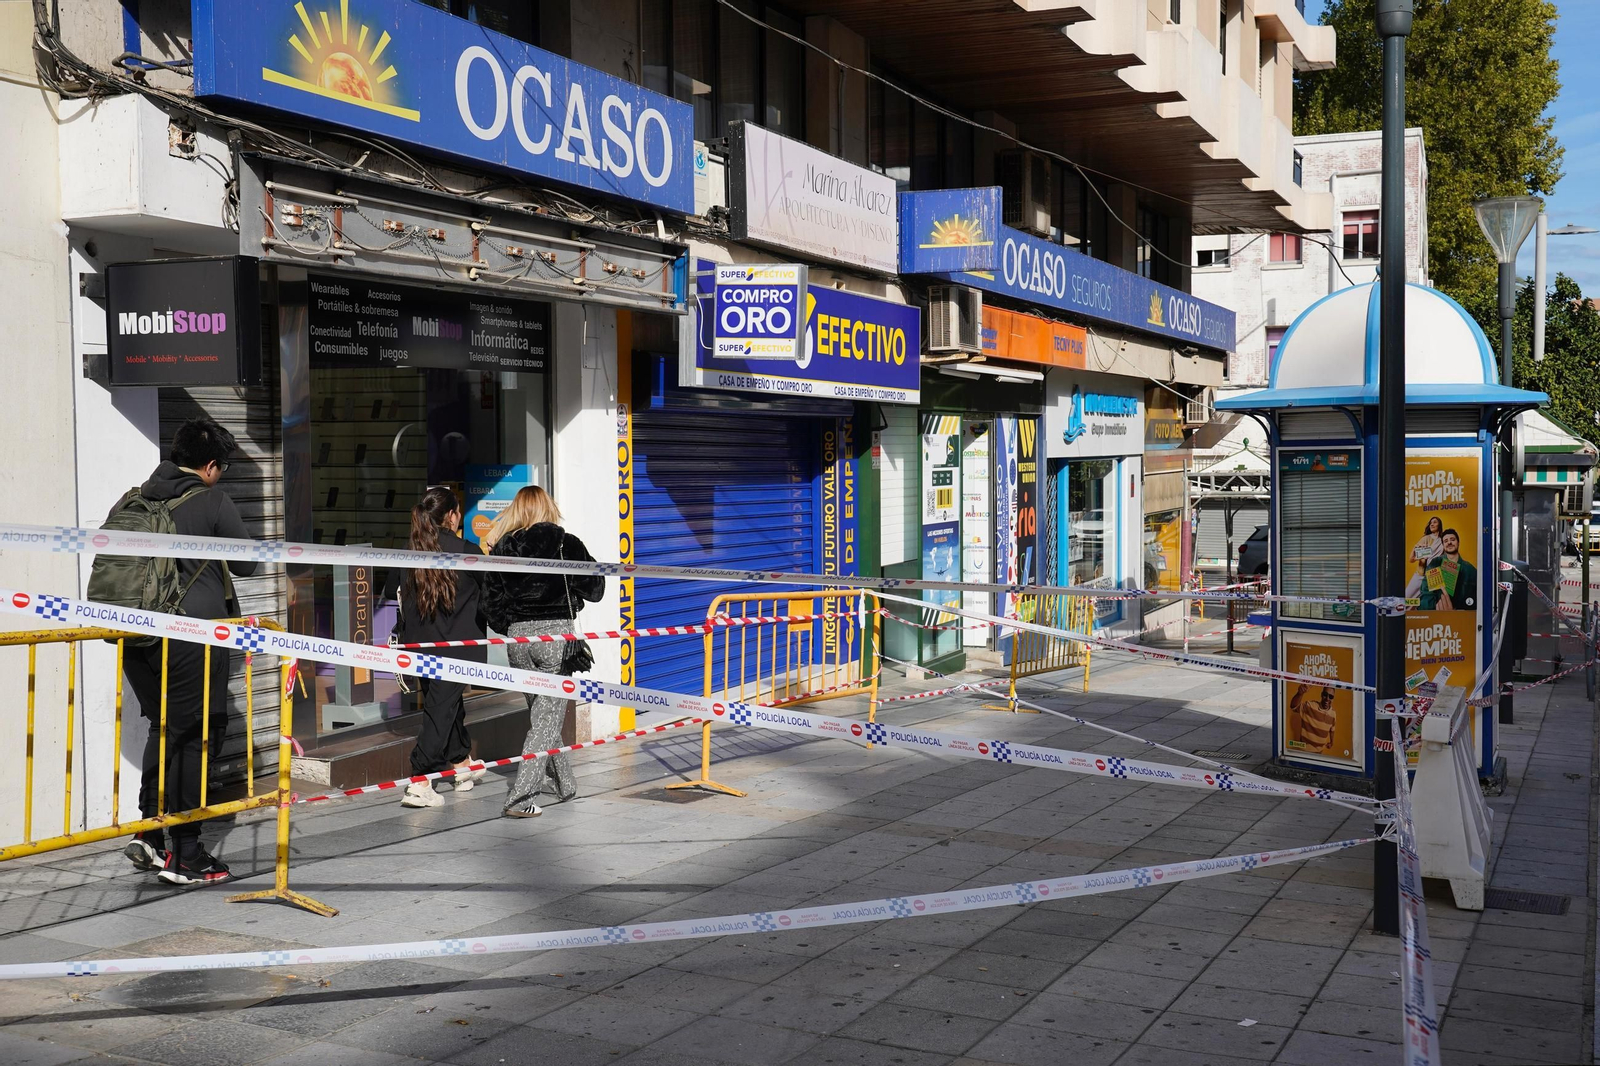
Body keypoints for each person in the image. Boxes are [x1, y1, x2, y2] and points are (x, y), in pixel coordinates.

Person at [120, 418, 258, 885]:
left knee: (163, 729)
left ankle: (151, 835)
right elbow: (247, 563)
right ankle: (187, 854)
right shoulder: (211, 499)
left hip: (137, 636)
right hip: (191, 637)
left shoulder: (137, 496)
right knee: (195, 738)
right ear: (212, 466)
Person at [480, 486, 604, 817]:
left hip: (519, 643)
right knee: (545, 721)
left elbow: (490, 603)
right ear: (549, 507)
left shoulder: (504, 546)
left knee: (543, 717)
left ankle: (565, 783)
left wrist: (513, 628)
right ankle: (520, 800)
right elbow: (596, 589)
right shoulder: (567, 542)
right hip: (555, 640)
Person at [394, 487, 488, 809]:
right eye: (458, 511)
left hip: (419, 646)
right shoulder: (467, 551)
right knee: (439, 711)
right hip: (455, 650)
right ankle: (420, 782)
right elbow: (489, 597)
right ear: (452, 516)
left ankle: (461, 764)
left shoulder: (412, 550)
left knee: (445, 706)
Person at [1417, 528, 1477, 612]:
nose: (1449, 542)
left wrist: (1457, 611)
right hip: (1437, 618)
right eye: (1445, 541)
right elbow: (1426, 594)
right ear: (1443, 545)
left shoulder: (1470, 570)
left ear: (1458, 543)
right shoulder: (1436, 563)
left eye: (1452, 540)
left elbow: (1477, 600)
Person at [1404, 516, 1445, 601]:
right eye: (1430, 523)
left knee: (1432, 601)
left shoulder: (1443, 540)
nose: (1432, 524)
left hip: (1434, 575)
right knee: (1407, 598)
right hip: (1421, 574)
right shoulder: (1426, 538)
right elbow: (1411, 559)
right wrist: (1418, 556)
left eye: (1434, 522)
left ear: (1439, 525)